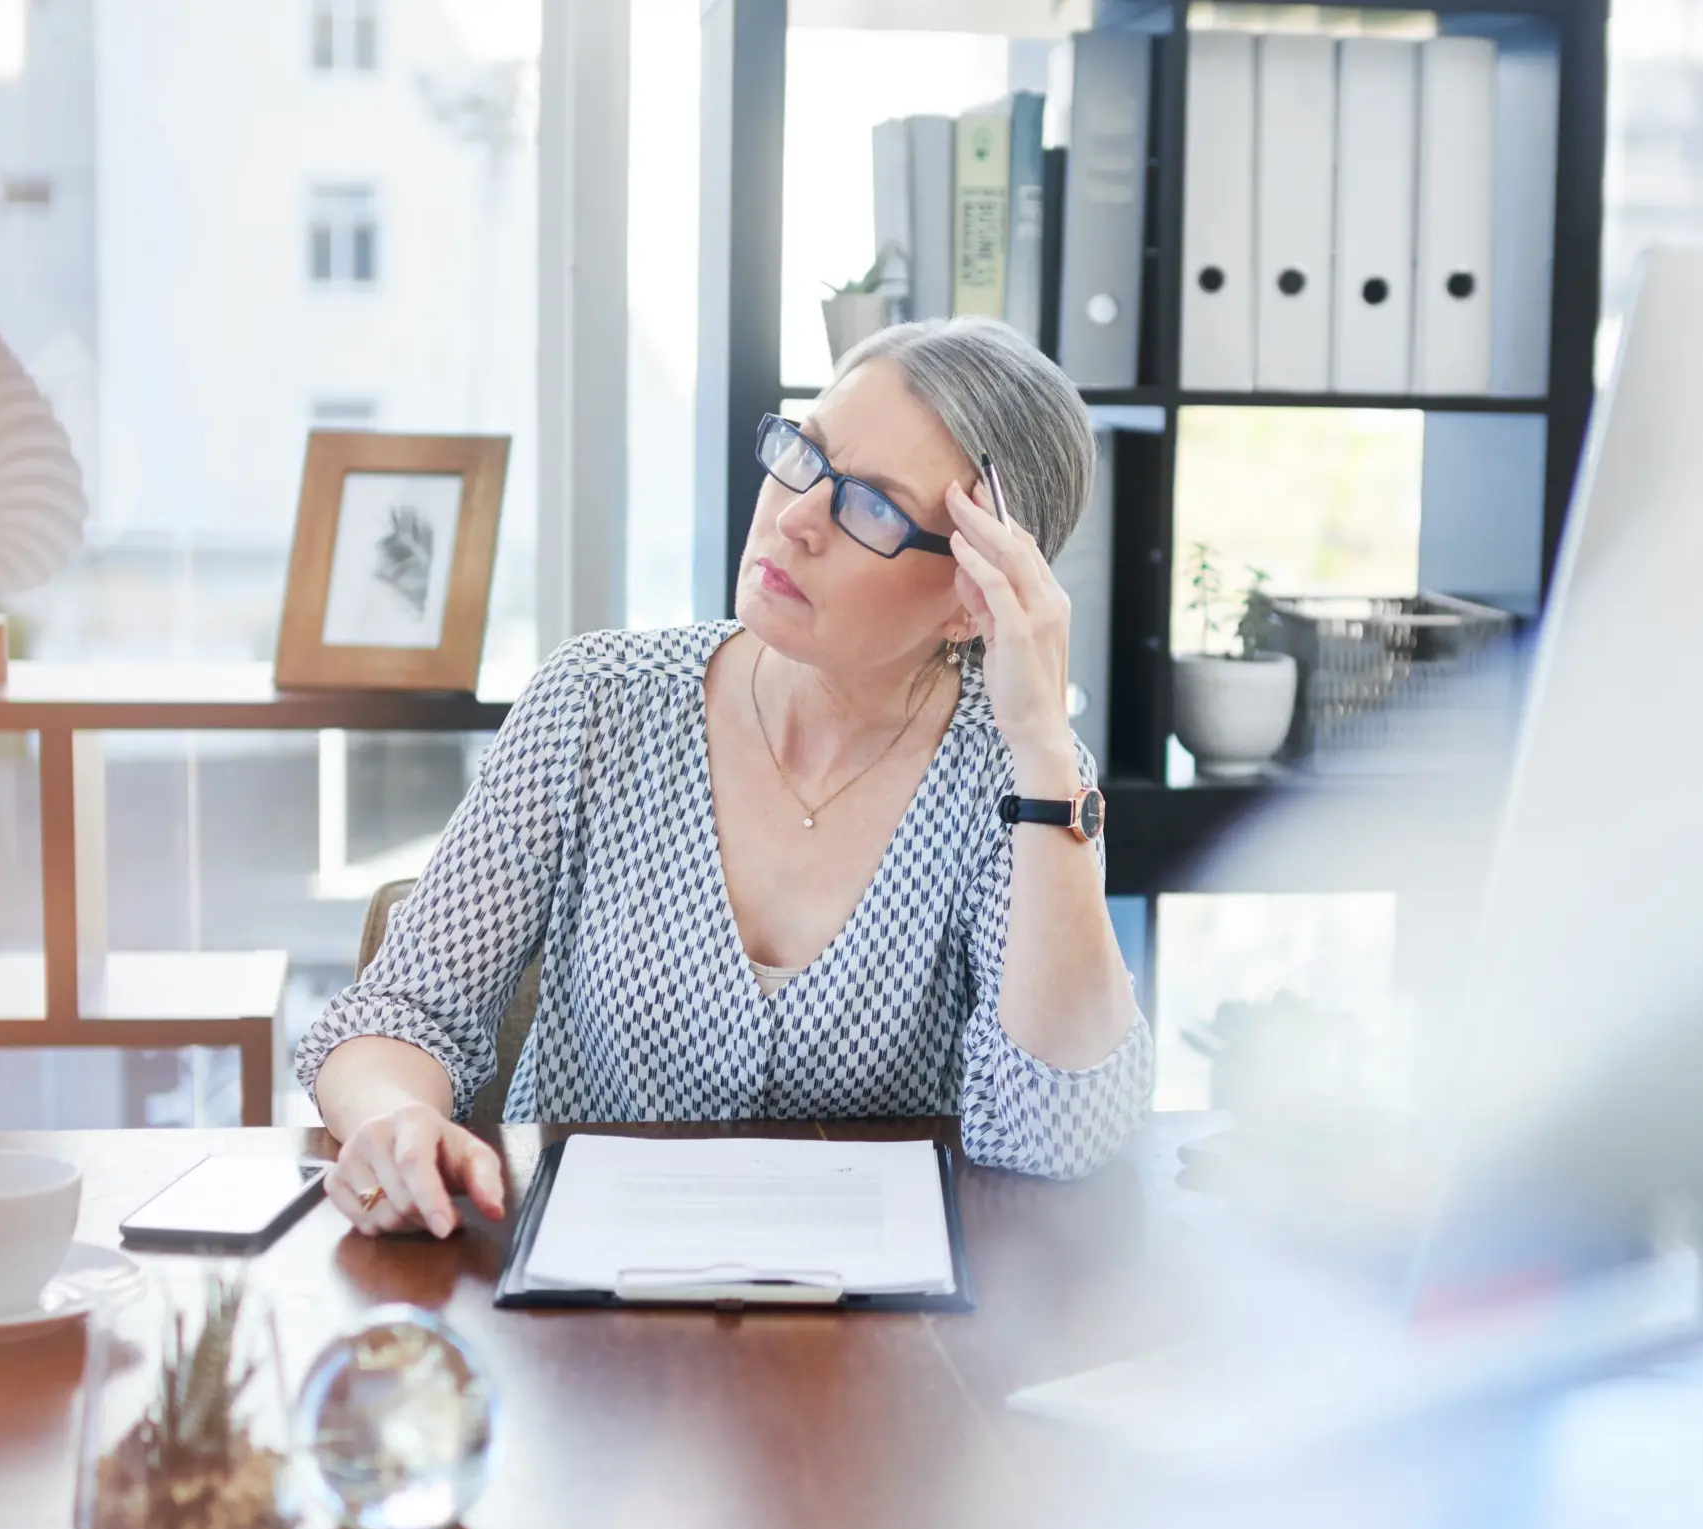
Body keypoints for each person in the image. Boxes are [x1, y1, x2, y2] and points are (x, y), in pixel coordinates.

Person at [297, 317, 1153, 1238]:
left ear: (970, 594)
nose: (795, 517)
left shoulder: (1019, 779)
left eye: (871, 506)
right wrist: (393, 1116)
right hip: (580, 1314)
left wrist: (1041, 742)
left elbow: (1056, 1135)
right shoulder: (597, 702)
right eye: (803, 453)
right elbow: (404, 1010)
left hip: (876, 1344)